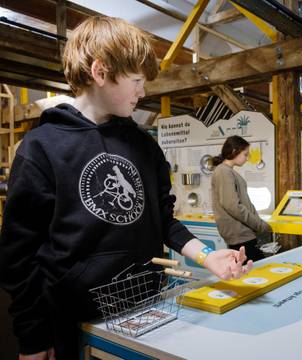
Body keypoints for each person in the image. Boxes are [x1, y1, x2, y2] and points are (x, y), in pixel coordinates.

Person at [0, 16, 253, 360]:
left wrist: (208, 257)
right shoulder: (41, 147)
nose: (142, 92)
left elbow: (163, 220)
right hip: (70, 320)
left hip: (143, 312)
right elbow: (19, 255)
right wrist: (31, 335)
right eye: (136, 80)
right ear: (101, 72)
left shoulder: (145, 147)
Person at [211, 135, 272, 262]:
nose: (247, 158)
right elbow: (232, 205)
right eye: (245, 154)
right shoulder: (224, 172)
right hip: (240, 234)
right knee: (255, 270)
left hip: (242, 233)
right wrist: (260, 225)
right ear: (234, 151)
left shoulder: (227, 171)